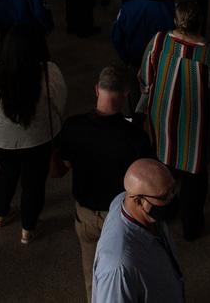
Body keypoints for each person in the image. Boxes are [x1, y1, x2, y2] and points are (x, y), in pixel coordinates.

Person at [138, 0, 210, 241]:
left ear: (175, 20)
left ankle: (166, 213)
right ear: (201, 22)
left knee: (164, 175)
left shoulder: (159, 42)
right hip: (196, 138)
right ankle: (191, 228)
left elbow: (145, 80)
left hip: (162, 129)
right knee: (194, 185)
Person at [55, 65, 153, 301]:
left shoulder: (73, 126)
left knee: (93, 277)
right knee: (126, 277)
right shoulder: (135, 136)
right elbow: (146, 181)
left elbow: (58, 170)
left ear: (96, 89)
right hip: (121, 217)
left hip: (86, 215)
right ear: (126, 94)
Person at [0, 25, 67, 243]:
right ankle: (28, 229)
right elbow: (59, 104)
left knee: (6, 173)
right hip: (38, 139)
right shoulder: (49, 72)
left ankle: (0, 215)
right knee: (33, 182)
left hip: (0, 139)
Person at [92, 158, 183, 302]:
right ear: (139, 201)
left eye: (174, 189)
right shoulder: (118, 268)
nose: (172, 198)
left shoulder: (124, 200)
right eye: (165, 196)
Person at [112, 0, 176, 69]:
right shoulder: (175, 11)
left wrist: (127, 60)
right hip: (164, 67)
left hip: (135, 64)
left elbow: (117, 38)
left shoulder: (127, 8)